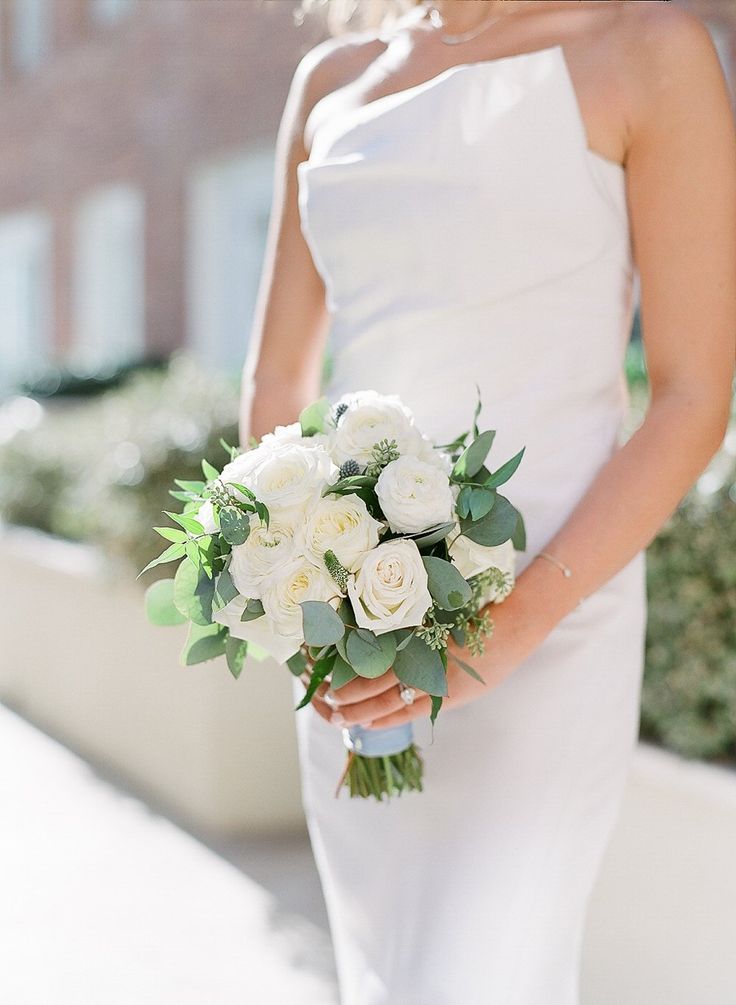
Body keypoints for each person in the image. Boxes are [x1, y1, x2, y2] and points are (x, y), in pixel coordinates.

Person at [239, 1, 736, 1002]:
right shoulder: (332, 85)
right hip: (353, 642)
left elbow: (691, 399)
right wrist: (297, 588)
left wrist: (505, 631)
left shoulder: (649, 50)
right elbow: (273, 395)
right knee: (386, 974)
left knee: (480, 974)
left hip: (552, 619)